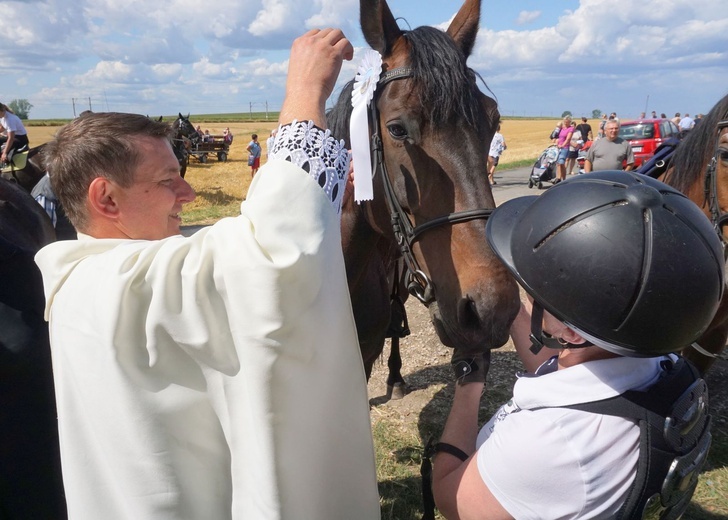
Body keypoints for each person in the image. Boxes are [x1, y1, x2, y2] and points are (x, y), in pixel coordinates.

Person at [34, 27, 380, 520]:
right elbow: (272, 256)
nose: (190, 197)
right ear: (105, 198)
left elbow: (216, 256)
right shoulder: (119, 285)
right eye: (167, 181)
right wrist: (304, 93)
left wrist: (318, 204)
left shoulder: (90, 278)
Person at [429, 171, 721, 520]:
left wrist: (469, 383)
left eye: (534, 292)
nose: (528, 291)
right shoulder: (663, 368)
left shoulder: (553, 442)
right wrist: (516, 308)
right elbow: (574, 365)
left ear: (572, 333)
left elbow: (451, 497)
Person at [555, 115, 573, 182]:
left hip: (565, 148)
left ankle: (560, 178)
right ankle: (560, 178)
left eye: (567, 122)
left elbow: (568, 139)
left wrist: (562, 145)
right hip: (558, 147)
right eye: (565, 122)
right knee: (559, 164)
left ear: (569, 122)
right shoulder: (562, 128)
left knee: (561, 163)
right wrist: (556, 143)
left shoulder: (571, 128)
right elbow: (557, 136)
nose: (565, 123)